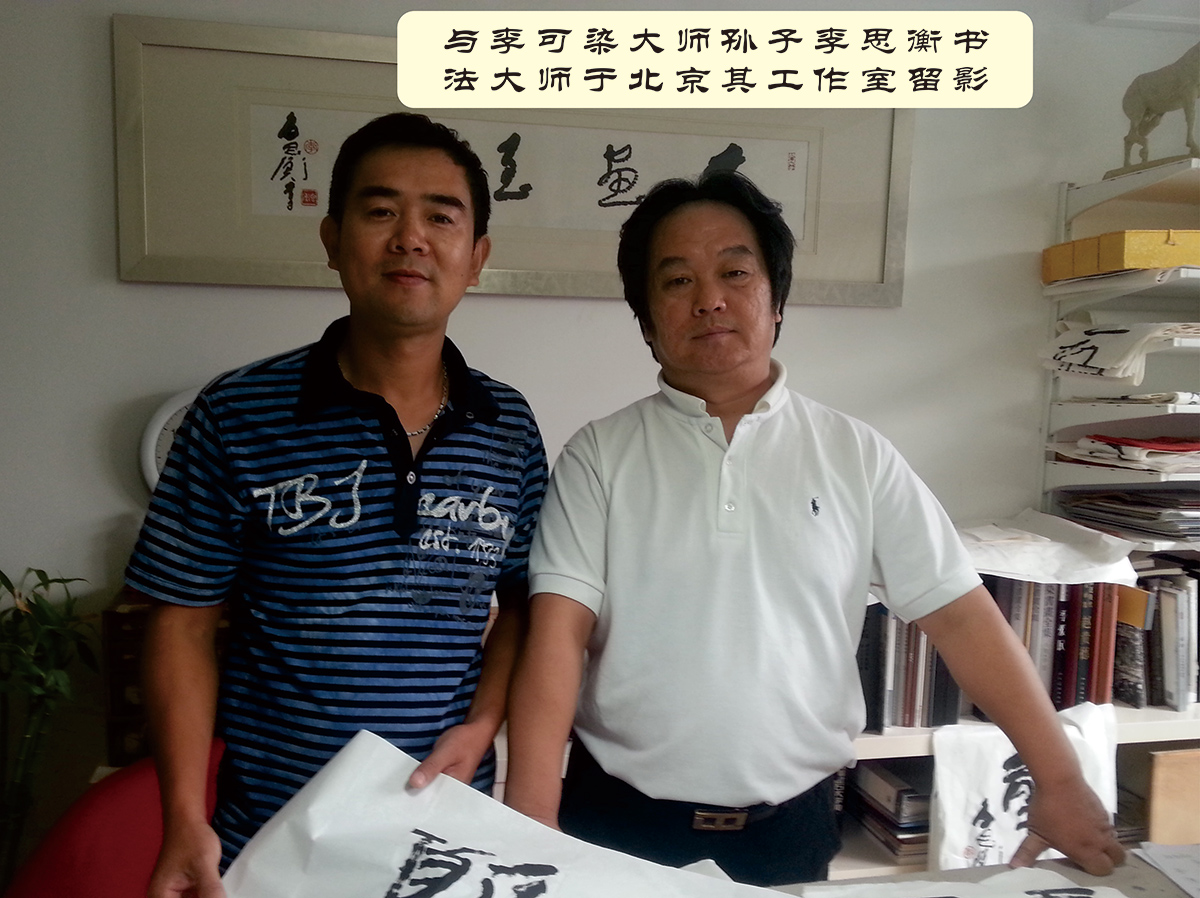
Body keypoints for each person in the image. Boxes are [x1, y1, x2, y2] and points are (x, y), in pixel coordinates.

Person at [501, 171, 1125, 887]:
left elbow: (963, 618)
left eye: (735, 272)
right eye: (676, 281)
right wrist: (530, 817)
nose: (709, 299)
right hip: (615, 823)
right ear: (646, 320)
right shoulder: (599, 456)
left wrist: (1060, 778)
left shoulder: (854, 454)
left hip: (788, 832)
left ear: (776, 301)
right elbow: (558, 635)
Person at [125, 113, 547, 897]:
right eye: (381, 210)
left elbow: (523, 603)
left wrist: (484, 724)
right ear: (332, 239)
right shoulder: (237, 414)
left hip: (443, 831)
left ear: (477, 257)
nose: (410, 238)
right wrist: (183, 814)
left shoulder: (508, 427)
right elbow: (181, 622)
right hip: (276, 837)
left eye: (441, 217)